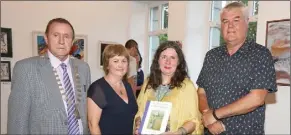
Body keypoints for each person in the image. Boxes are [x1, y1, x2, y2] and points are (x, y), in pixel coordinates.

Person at [196, 2, 277, 135]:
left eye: (236, 20)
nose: (230, 26)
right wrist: (207, 115)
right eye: (225, 21)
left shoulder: (260, 54)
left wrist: (215, 115)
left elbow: (256, 98)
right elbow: (201, 92)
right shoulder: (211, 56)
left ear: (247, 22)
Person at [7, 18, 91, 134]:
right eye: (56, 35)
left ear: (72, 41)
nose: (61, 41)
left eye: (66, 36)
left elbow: (84, 110)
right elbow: (18, 122)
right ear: (46, 38)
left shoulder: (83, 68)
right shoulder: (26, 68)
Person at [134, 41, 203, 135]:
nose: (168, 61)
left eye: (172, 57)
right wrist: (138, 125)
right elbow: (140, 111)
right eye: (164, 57)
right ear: (158, 60)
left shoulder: (187, 87)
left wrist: (177, 133)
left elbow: (194, 121)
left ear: (178, 62)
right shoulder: (148, 83)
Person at [87, 44, 138, 134]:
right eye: (115, 61)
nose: (120, 65)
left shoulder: (128, 86)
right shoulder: (97, 89)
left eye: (124, 61)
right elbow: (93, 125)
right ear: (107, 65)